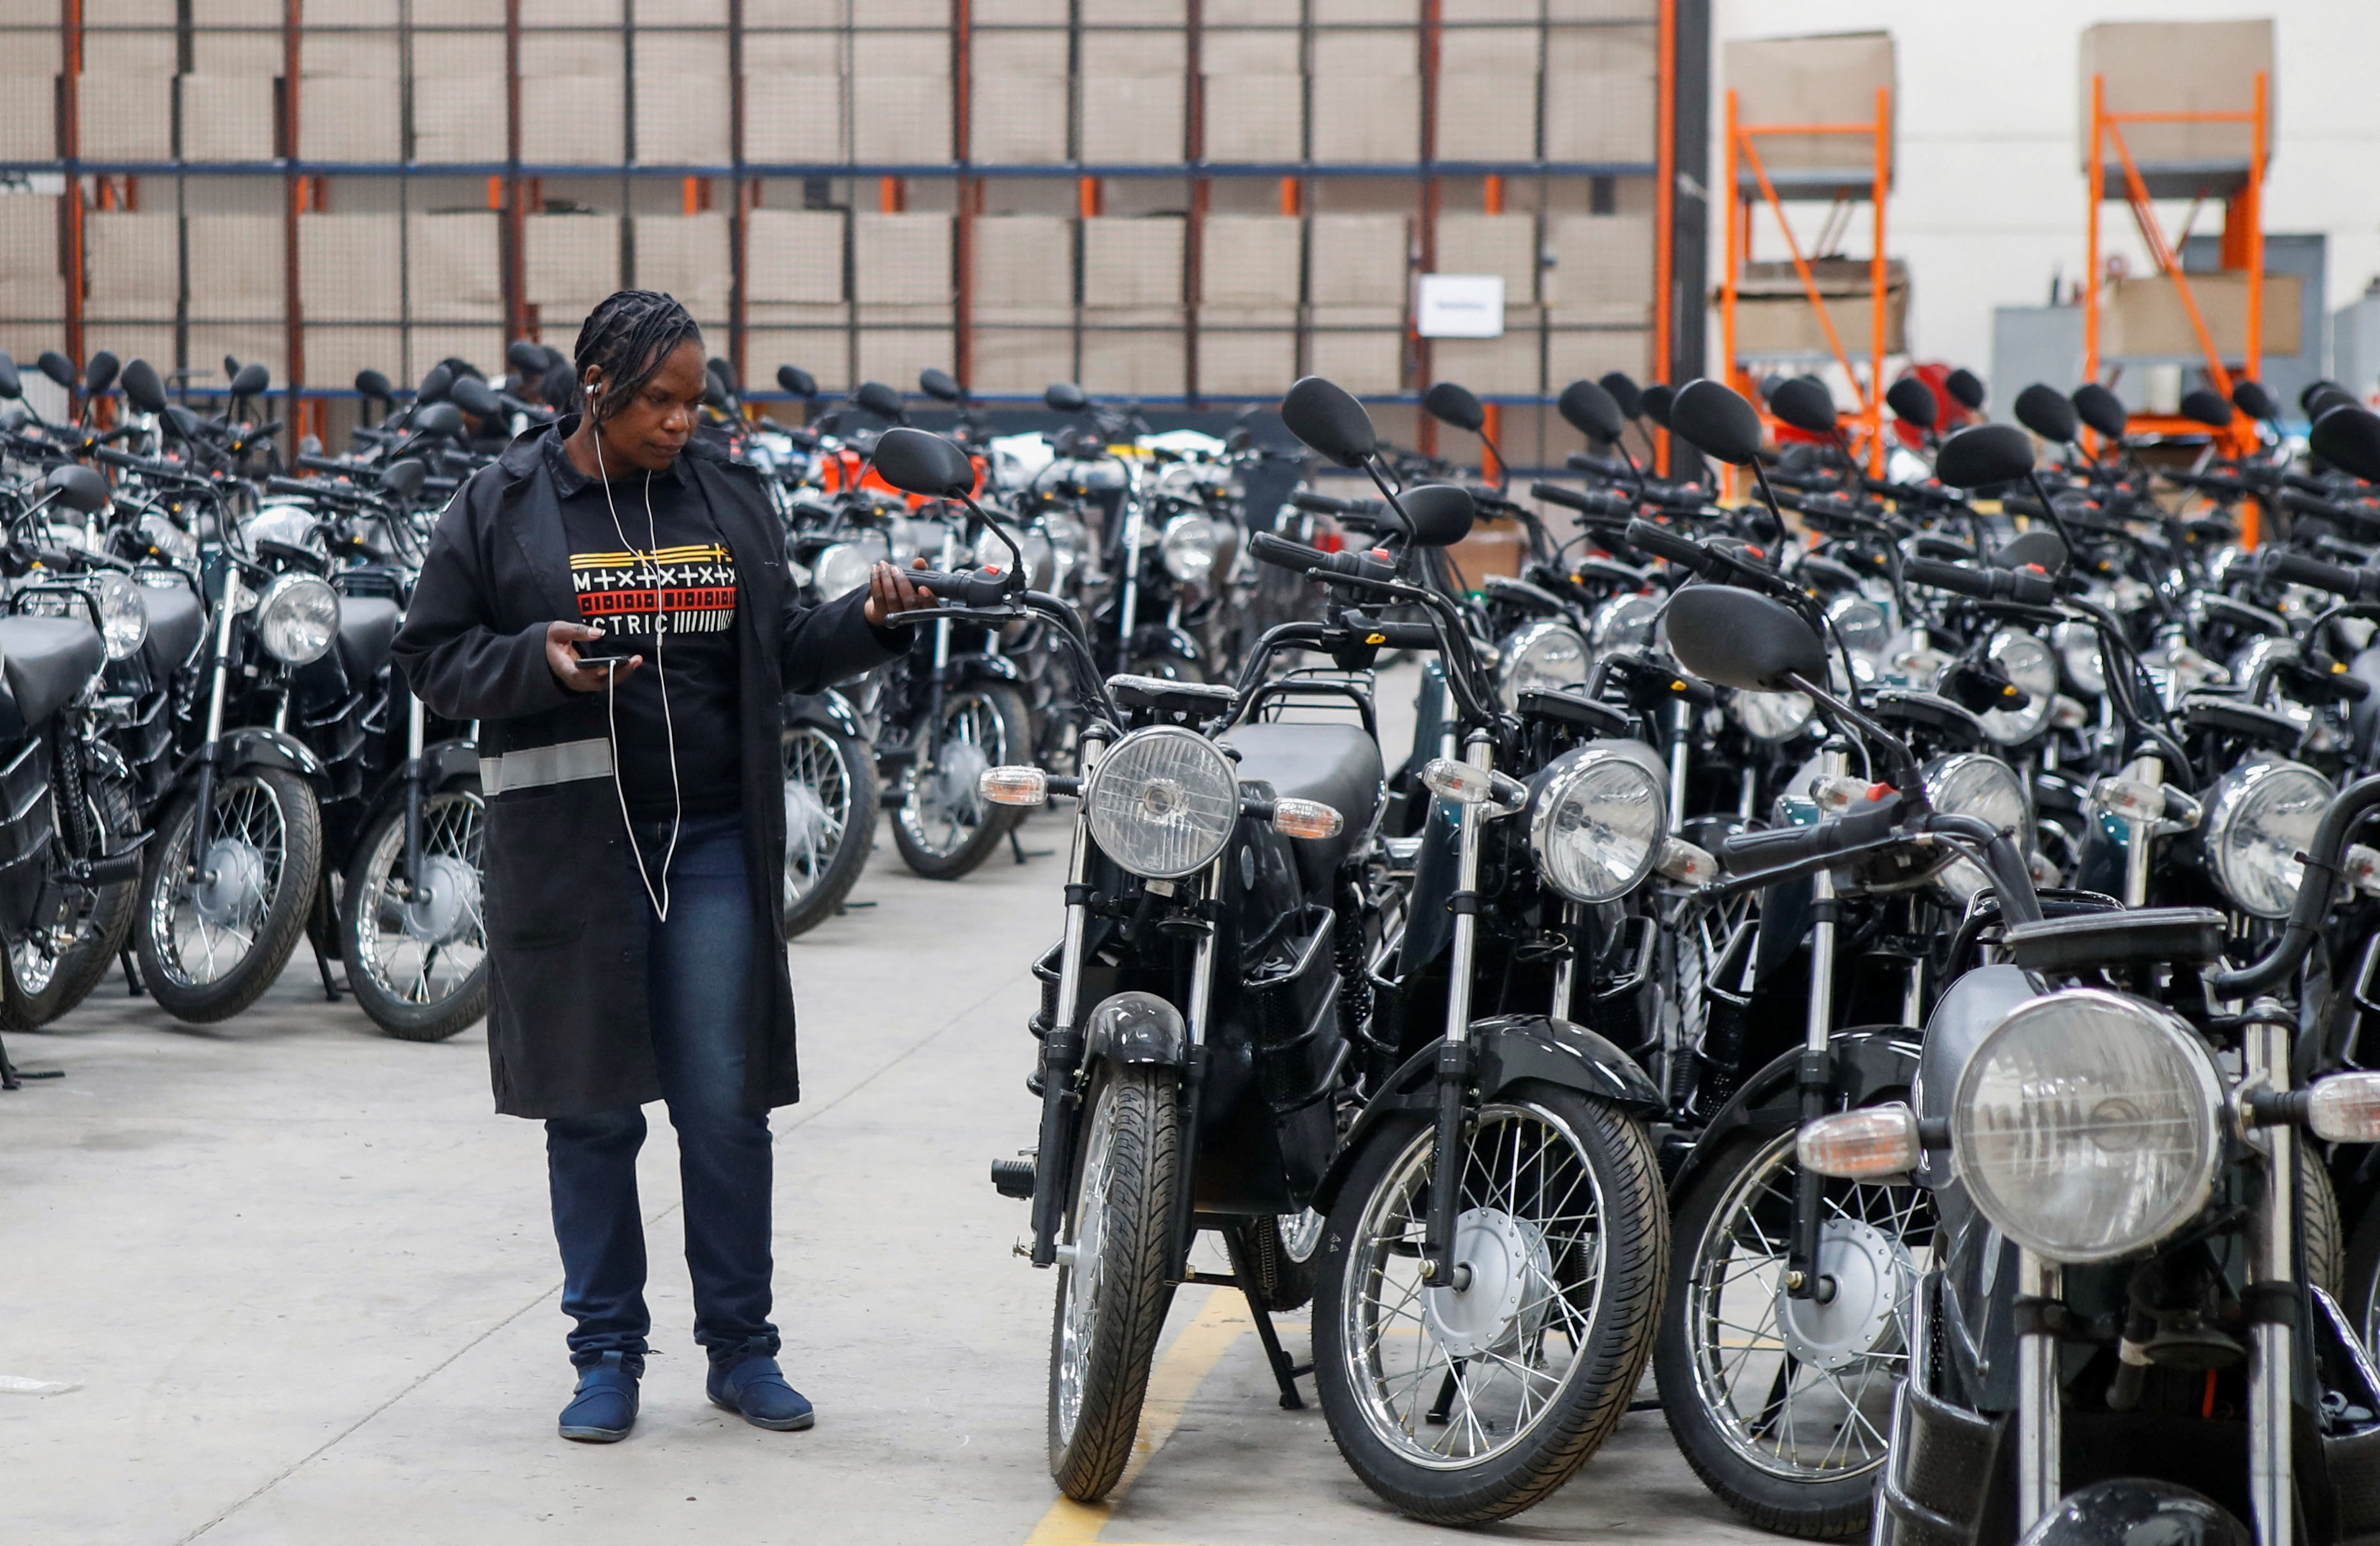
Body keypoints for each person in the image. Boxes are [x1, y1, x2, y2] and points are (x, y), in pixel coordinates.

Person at [391, 290, 935, 1443]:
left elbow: (781, 651)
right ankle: (605, 1356)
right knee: (589, 1110)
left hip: (714, 848)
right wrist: (535, 659)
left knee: (725, 1106)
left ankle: (741, 1351)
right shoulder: (505, 506)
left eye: (694, 400)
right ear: (595, 385)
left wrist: (872, 622)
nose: (682, 421)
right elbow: (431, 657)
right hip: (575, 846)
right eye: (658, 400)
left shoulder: (727, 497)